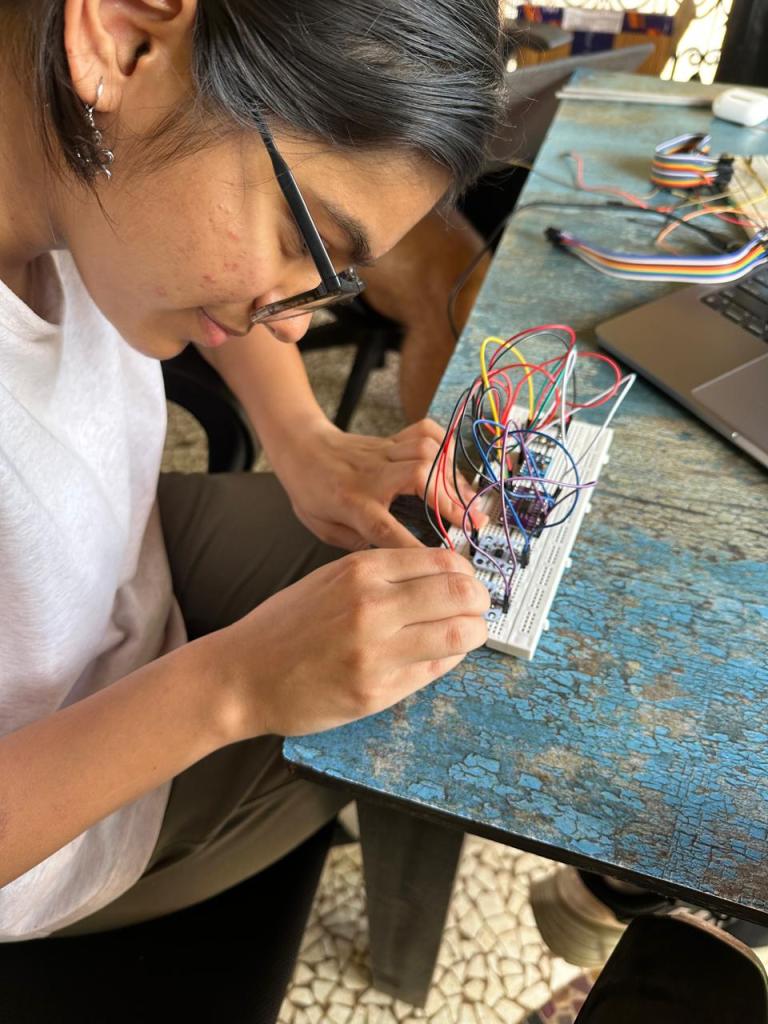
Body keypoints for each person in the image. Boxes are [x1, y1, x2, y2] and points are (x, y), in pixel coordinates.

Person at [0, 0, 504, 939]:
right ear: (122, 36)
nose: (295, 324)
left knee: (429, 566)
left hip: (125, 570)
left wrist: (304, 439)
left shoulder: (69, 157)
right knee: (426, 703)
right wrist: (230, 688)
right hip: (51, 818)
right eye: (302, 238)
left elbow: (197, 236)